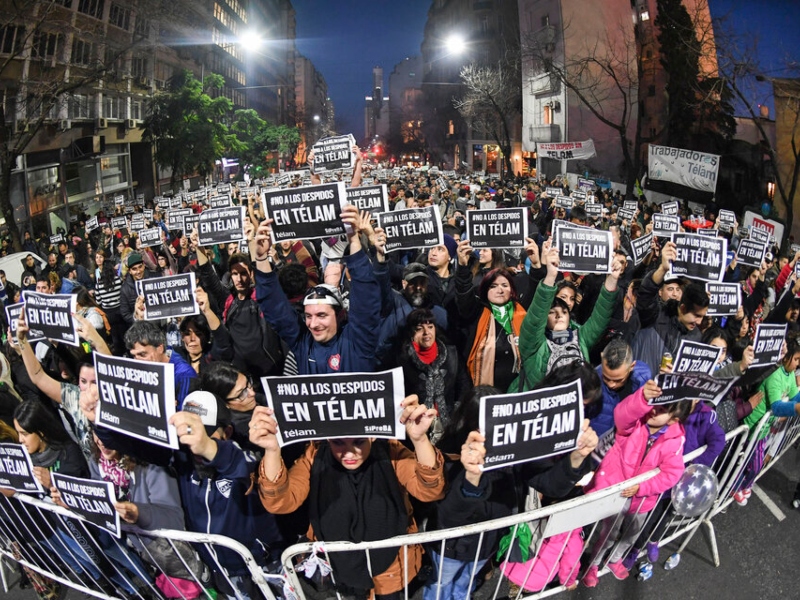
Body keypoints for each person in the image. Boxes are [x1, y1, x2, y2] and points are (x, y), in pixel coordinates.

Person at [249, 395, 446, 599]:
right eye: (338, 442)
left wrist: (420, 440)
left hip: (392, 567)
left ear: (372, 436)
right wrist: (272, 450)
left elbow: (430, 490)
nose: (349, 453)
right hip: (336, 568)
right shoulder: (314, 455)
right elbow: (280, 502)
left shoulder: (390, 451)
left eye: (359, 442)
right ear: (327, 439)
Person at [582, 382, 691, 586]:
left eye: (662, 410)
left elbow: (671, 474)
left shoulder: (675, 442)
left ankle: (615, 559)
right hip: (616, 493)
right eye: (655, 404)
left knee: (631, 534)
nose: (654, 410)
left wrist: (642, 488)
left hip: (642, 500)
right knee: (607, 534)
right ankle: (593, 564)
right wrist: (642, 397)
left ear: (673, 420)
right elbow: (621, 414)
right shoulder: (635, 422)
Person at [253, 206, 381, 374]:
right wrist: (261, 258)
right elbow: (275, 308)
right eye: (308, 316)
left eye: (321, 315)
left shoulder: (358, 341)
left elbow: (366, 296)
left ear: (340, 314)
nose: (313, 324)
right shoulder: (303, 344)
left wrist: (353, 239)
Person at [516, 240, 621, 390]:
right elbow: (535, 318)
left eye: (564, 312)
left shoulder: (581, 337)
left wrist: (612, 279)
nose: (559, 316)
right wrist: (551, 276)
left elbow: (601, 316)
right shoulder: (533, 343)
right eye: (552, 312)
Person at [193, 227, 289, 382]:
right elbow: (208, 275)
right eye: (235, 274)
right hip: (240, 374)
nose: (239, 279)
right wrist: (199, 246)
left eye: (243, 273)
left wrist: (251, 240)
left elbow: (260, 272)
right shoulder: (228, 300)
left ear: (250, 274)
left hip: (270, 370)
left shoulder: (262, 296)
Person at [453, 242, 527, 391]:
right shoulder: (477, 312)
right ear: (485, 290)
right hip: (484, 392)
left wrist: (539, 267)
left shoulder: (521, 312)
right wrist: (462, 266)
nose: (500, 290)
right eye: (493, 286)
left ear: (512, 290)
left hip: (517, 391)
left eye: (504, 285)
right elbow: (464, 292)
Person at [393, 308, 471, 436]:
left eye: (430, 327)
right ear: (411, 333)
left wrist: (457, 415)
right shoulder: (401, 360)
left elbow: (464, 387)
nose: (426, 332)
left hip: (449, 426)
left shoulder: (452, 354)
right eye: (419, 329)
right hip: (416, 427)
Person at [123, 321, 196, 409]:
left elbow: (186, 414)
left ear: (160, 348)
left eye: (142, 354)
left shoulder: (184, 375)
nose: (137, 361)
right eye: (134, 356)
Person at [593, 338, 652, 436]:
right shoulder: (591, 383)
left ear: (632, 366)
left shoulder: (644, 379)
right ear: (601, 357)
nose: (611, 384)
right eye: (606, 378)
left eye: (618, 380)